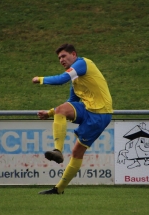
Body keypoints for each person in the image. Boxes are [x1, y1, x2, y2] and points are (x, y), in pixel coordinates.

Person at [32, 43, 113, 194]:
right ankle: (58, 151)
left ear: (74, 54)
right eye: (59, 58)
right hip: (88, 110)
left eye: (64, 56)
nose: (61, 60)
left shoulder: (82, 63)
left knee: (77, 152)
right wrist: (50, 113)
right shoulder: (75, 79)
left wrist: (40, 79)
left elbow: (61, 79)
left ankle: (59, 188)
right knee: (62, 110)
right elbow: (70, 102)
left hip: (101, 114)